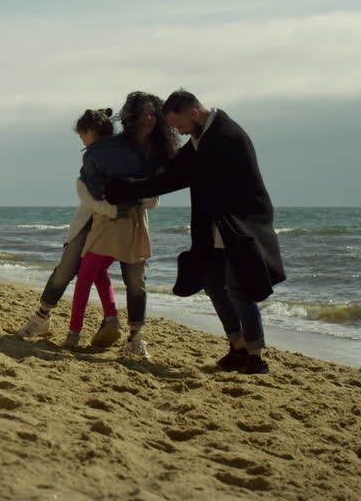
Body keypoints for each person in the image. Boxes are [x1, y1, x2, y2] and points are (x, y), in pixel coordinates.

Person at [106, 90, 284, 374]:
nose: (178, 131)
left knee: (240, 288)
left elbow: (181, 176)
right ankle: (237, 348)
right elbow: (174, 166)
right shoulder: (203, 136)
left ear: (195, 113)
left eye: (180, 125)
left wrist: (131, 188)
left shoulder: (225, 135)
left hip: (242, 222)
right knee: (213, 283)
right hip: (218, 224)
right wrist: (131, 180)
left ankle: (256, 357)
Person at [17, 94, 173, 357]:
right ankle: (42, 318)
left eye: (153, 113)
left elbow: (155, 196)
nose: (149, 118)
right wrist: (112, 206)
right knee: (66, 270)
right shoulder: (109, 149)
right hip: (93, 219)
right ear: (131, 116)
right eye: (144, 113)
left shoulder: (155, 151)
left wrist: (136, 197)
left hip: (131, 223)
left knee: (136, 280)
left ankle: (135, 337)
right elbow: (88, 190)